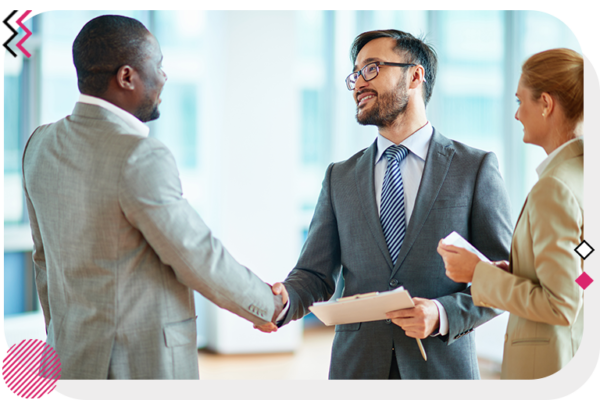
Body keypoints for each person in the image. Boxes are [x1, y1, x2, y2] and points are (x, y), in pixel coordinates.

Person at [22, 15, 284, 380]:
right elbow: (195, 254)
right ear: (127, 76)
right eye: (158, 65)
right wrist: (267, 305)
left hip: (70, 357)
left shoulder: (39, 145)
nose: (164, 77)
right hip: (138, 366)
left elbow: (43, 261)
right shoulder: (139, 155)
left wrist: (65, 334)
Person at [255, 29, 513, 379]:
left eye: (372, 68)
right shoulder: (339, 177)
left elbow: (502, 279)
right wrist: (284, 300)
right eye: (356, 73)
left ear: (415, 76)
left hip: (440, 369)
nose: (359, 82)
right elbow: (314, 275)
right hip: (357, 368)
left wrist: (442, 313)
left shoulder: (474, 168)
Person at [438, 48, 584, 380]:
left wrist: (478, 273)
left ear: (546, 104)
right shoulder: (581, 174)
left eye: (520, 102)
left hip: (546, 366)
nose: (517, 115)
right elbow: (585, 278)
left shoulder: (555, 188)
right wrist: (518, 274)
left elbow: (561, 305)